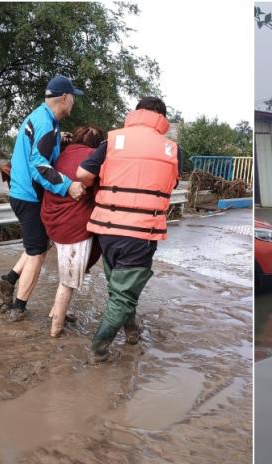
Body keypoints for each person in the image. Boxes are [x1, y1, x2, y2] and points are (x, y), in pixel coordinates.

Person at [77, 96, 179, 362]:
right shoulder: (171, 149)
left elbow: (82, 175)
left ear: (136, 113)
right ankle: (98, 349)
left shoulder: (111, 141)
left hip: (107, 229)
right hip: (141, 232)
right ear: (162, 118)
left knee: (118, 288)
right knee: (122, 295)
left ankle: (132, 331)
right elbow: (172, 184)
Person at [0, 75, 85, 321]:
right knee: (37, 252)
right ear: (65, 98)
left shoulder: (43, 118)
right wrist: (67, 186)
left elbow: (42, 145)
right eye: (73, 98)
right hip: (29, 196)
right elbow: (39, 166)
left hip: (21, 192)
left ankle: (9, 280)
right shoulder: (46, 125)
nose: (73, 103)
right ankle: (19, 308)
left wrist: (60, 138)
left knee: (39, 243)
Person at [40, 126, 105, 337]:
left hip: (52, 221)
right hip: (73, 226)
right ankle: (55, 329)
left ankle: (56, 312)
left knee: (66, 272)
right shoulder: (92, 159)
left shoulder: (61, 154)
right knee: (68, 281)